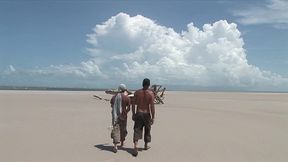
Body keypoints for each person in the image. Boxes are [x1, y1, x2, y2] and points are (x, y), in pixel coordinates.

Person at [131, 78, 155, 156]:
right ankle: (146, 145)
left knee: (137, 129)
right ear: (148, 84)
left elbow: (133, 104)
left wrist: (133, 113)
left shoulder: (137, 92)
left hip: (138, 113)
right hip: (146, 113)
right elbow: (152, 106)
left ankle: (136, 145)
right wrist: (153, 117)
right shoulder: (151, 94)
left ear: (142, 83)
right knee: (147, 129)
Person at [110, 84, 131, 153]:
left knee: (116, 129)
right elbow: (129, 108)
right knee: (123, 129)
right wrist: (125, 112)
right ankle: (122, 143)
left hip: (115, 116)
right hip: (123, 116)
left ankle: (115, 146)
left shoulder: (114, 97)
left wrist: (115, 111)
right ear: (124, 90)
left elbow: (112, 105)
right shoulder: (126, 98)